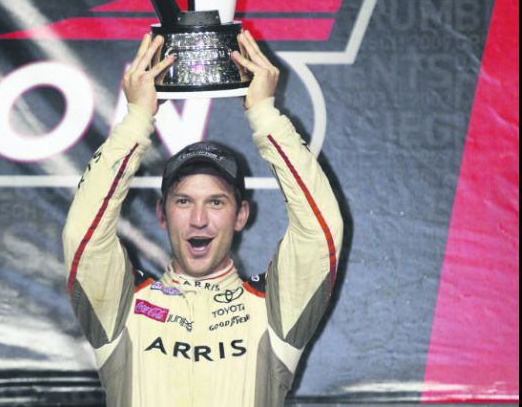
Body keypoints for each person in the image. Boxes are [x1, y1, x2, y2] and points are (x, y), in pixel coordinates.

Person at [63, 30, 343, 407]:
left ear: (240, 215)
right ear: (162, 215)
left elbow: (320, 230)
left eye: (215, 203)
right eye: (183, 201)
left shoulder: (274, 311)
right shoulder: (123, 306)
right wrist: (137, 121)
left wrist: (265, 115)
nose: (198, 219)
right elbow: (83, 235)